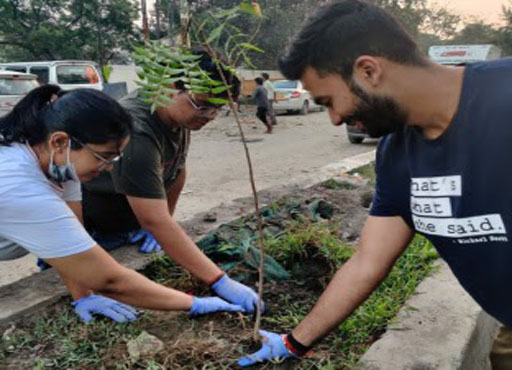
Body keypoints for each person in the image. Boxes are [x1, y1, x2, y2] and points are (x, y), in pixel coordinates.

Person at [238, 1, 512, 368]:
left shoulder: (504, 94)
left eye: (329, 101)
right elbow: (367, 262)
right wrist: (294, 342)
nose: (335, 119)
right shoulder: (397, 156)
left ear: (368, 70)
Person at [0, 85, 252, 324]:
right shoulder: (21, 186)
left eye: (115, 156)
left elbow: (71, 237)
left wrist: (82, 295)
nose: (110, 167)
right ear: (60, 142)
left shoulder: (59, 162)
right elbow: (110, 280)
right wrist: (195, 303)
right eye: (104, 156)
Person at [81, 50, 262, 317]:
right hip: (93, 231)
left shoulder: (178, 117)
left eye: (218, 109)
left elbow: (176, 169)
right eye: (202, 105)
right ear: (169, 87)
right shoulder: (136, 131)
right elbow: (154, 220)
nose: (210, 115)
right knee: (97, 291)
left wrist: (164, 219)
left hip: (130, 224)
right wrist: (219, 281)